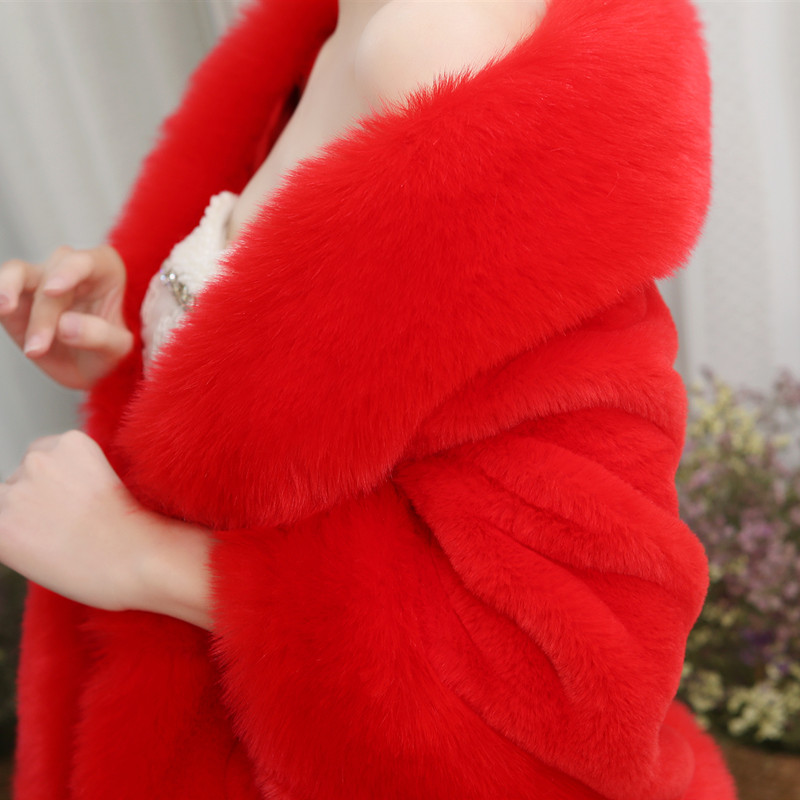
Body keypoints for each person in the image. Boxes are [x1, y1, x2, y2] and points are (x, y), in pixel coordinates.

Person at [0, 0, 737, 798]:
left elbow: (564, 702)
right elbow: (332, 386)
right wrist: (147, 323)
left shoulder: (441, 40)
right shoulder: (334, 27)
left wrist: (142, 558)